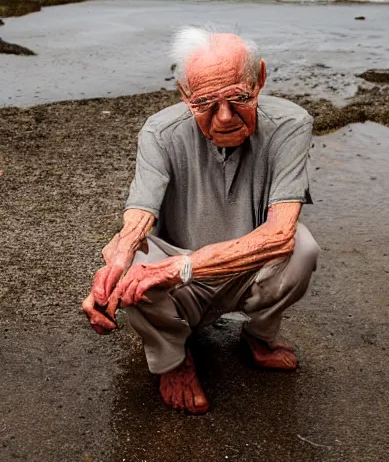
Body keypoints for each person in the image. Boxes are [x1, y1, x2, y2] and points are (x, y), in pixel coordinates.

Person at [82, 27, 320, 414]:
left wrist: (184, 267)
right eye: (205, 102)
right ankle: (174, 361)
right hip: (178, 278)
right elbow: (138, 219)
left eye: (240, 98)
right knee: (127, 269)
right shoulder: (160, 132)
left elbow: (279, 235)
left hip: (244, 268)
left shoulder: (291, 124)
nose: (224, 117)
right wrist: (115, 265)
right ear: (183, 93)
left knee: (302, 247)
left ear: (259, 78)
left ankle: (259, 335)